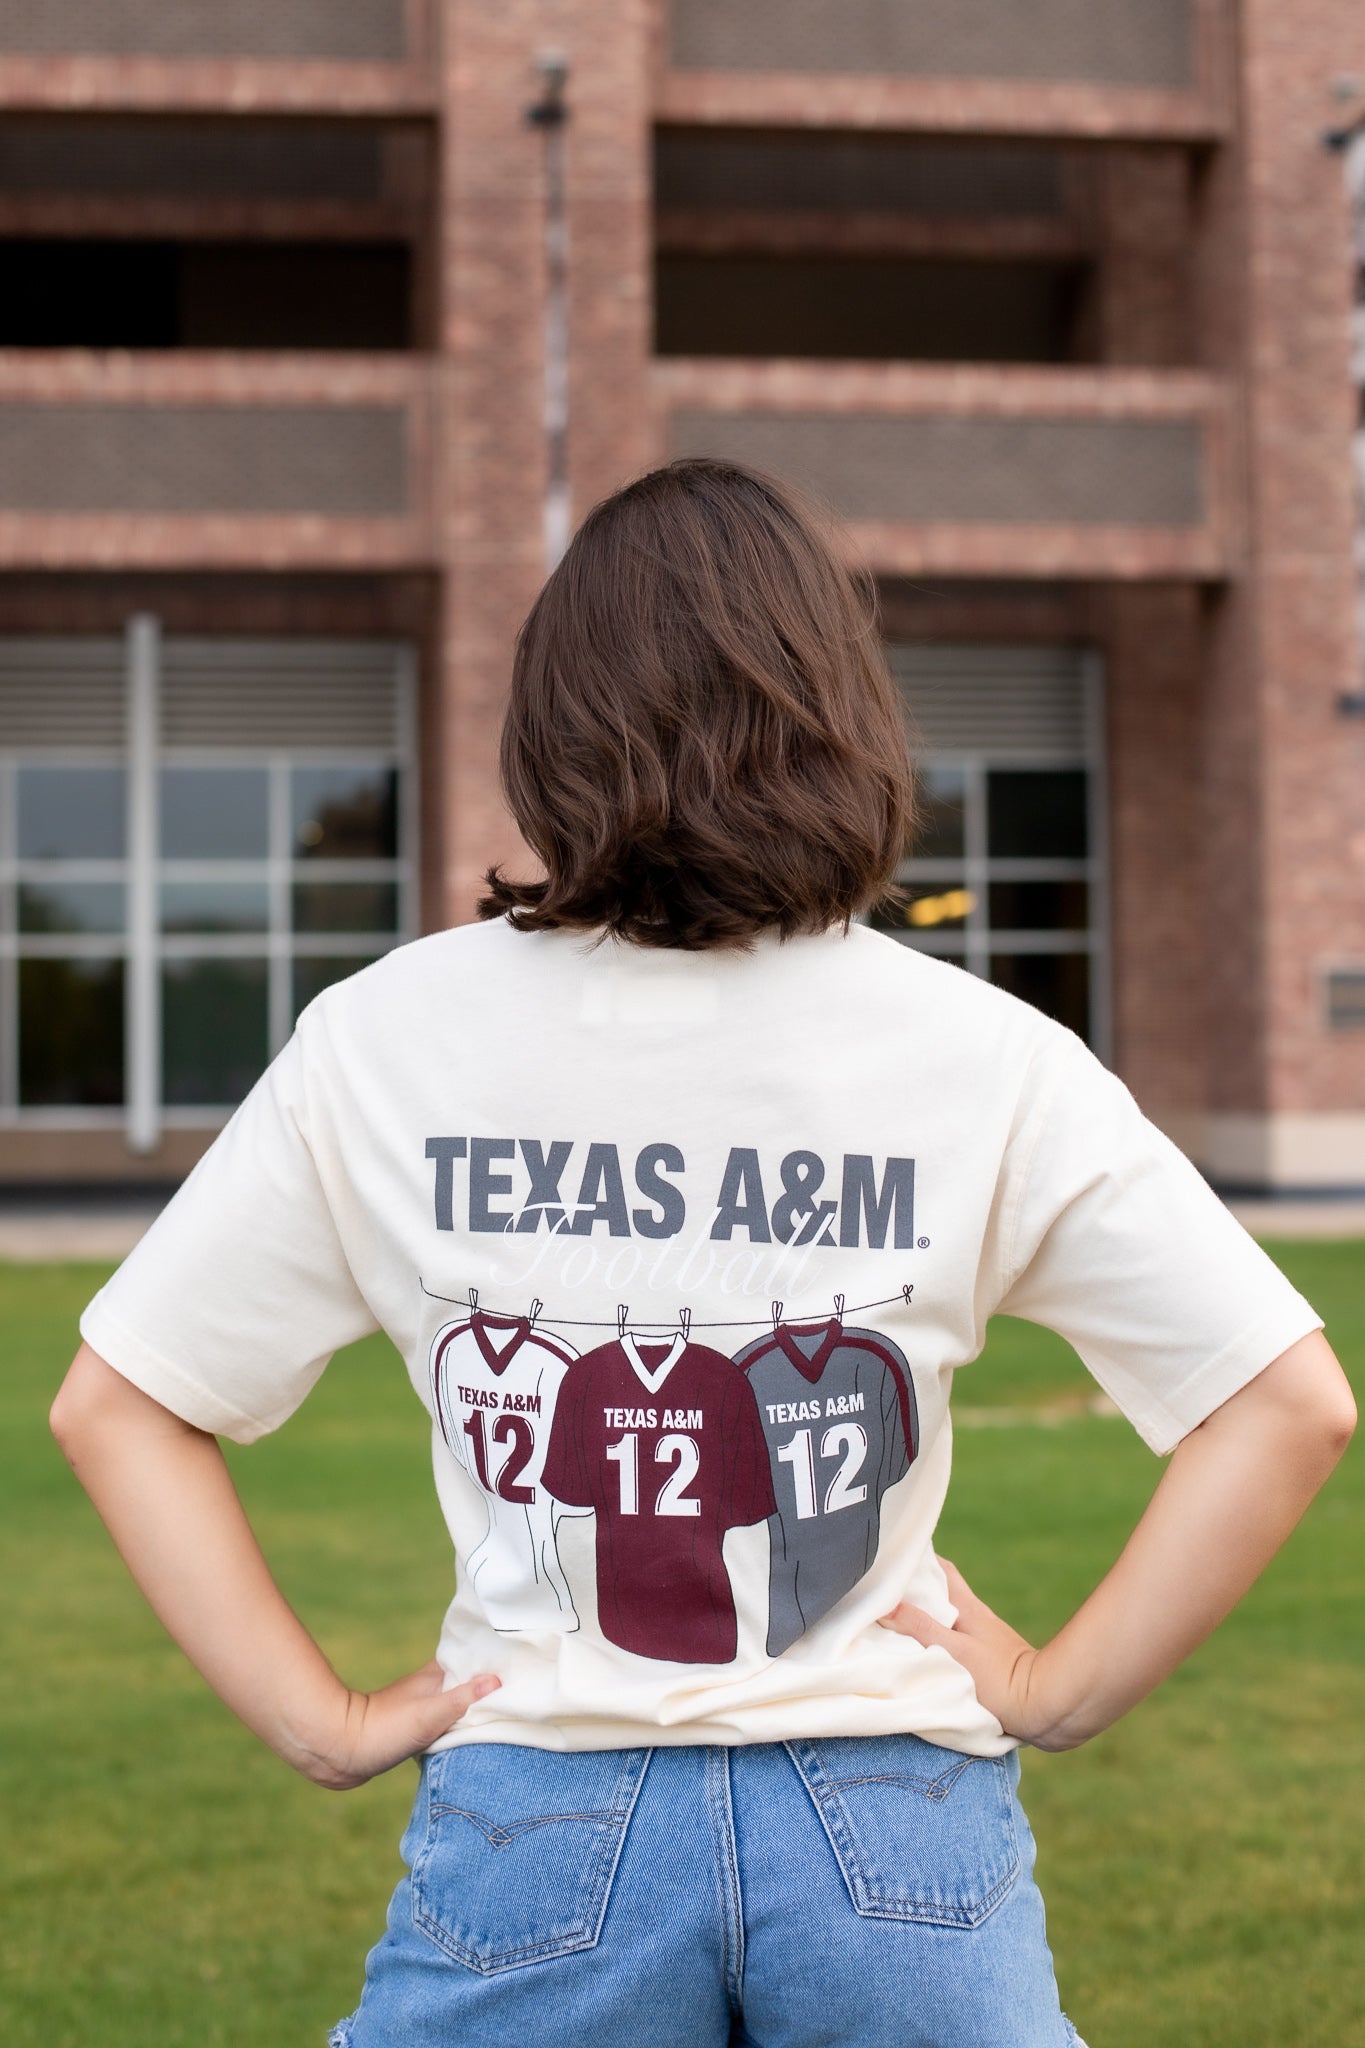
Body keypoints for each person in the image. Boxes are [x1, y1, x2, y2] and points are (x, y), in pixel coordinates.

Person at [52, 458, 1354, 2048]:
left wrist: (317, 1723)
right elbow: (1286, 1402)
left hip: (540, 1808)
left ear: (551, 726)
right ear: (840, 713)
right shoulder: (981, 1050)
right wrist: (1056, 1692)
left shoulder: (386, 1037)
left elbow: (117, 1403)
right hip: (892, 1826)